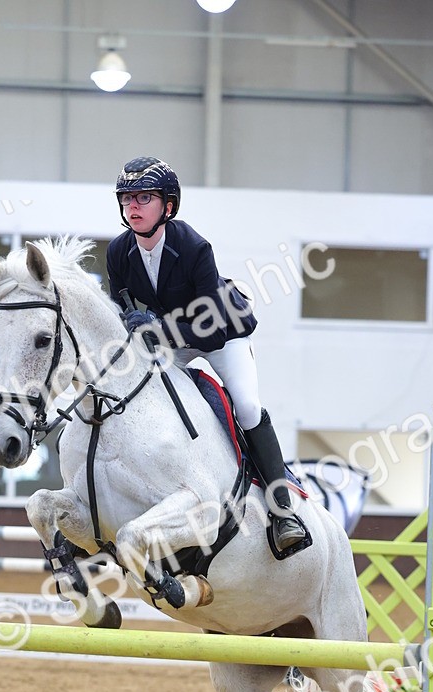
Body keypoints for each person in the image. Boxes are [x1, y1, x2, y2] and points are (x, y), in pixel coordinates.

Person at [106, 155, 307, 554]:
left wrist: (157, 328)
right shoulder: (118, 252)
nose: (133, 206)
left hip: (221, 333)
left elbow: (212, 331)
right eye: (127, 198)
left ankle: (283, 510)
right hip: (169, 342)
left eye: (145, 197)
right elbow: (121, 311)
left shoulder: (194, 247)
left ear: (168, 205)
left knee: (247, 408)